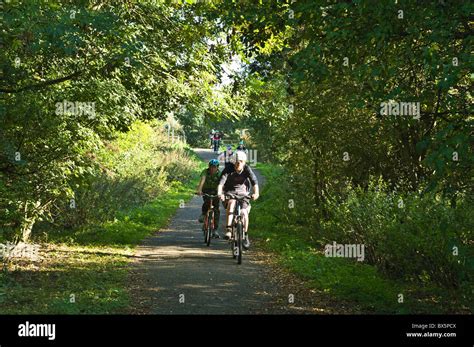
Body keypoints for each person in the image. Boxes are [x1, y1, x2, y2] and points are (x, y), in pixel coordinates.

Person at [217, 151, 259, 250]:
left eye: (240, 161)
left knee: (244, 213)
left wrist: (256, 193)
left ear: (244, 162)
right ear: (233, 162)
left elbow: (254, 182)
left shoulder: (247, 169)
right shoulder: (228, 169)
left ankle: (245, 235)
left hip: (243, 193)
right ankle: (228, 229)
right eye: (236, 161)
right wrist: (220, 193)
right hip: (230, 192)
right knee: (231, 203)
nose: (238, 164)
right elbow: (221, 183)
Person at [196, 159, 221, 238]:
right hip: (206, 190)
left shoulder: (219, 174)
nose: (212, 169)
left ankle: (215, 230)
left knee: (216, 209)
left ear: (217, 167)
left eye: (214, 167)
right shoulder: (205, 172)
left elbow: (221, 184)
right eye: (211, 167)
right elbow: (202, 180)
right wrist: (199, 190)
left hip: (216, 191)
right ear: (209, 167)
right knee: (207, 202)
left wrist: (220, 193)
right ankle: (204, 214)